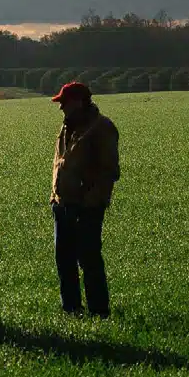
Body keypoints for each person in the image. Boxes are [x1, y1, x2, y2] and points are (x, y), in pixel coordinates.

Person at [50, 81, 120, 318]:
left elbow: (109, 171)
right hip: (62, 204)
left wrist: (91, 202)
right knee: (64, 260)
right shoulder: (67, 127)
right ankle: (71, 309)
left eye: (64, 103)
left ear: (79, 103)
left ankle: (99, 312)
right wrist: (55, 198)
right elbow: (60, 163)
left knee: (89, 260)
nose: (61, 108)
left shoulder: (102, 128)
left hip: (87, 207)